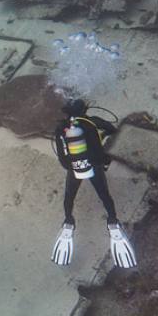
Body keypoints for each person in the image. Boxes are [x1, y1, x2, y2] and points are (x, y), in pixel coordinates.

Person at [51, 99, 137, 268]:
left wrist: (72, 165)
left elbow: (62, 156)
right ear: (86, 109)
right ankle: (113, 222)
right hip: (94, 167)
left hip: (74, 168)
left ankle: (68, 221)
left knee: (69, 197)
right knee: (105, 196)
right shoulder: (93, 121)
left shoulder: (61, 128)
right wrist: (101, 135)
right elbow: (112, 129)